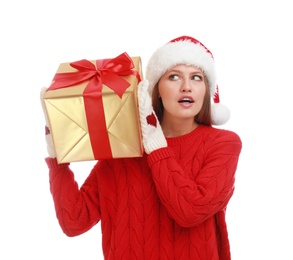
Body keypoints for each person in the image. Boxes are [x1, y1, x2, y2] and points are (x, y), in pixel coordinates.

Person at [41, 35, 242, 260]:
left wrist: (156, 146)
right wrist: (58, 157)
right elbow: (74, 221)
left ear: (207, 90)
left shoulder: (223, 144)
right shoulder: (125, 146)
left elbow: (190, 211)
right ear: (155, 89)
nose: (186, 87)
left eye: (196, 78)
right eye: (174, 77)